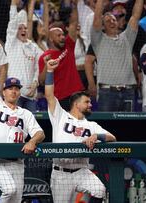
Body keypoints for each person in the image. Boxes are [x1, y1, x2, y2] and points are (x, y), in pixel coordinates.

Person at [44, 58, 116, 202]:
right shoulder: (60, 116)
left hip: (81, 171)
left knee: (100, 190)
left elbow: (112, 137)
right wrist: (50, 71)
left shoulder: (91, 125)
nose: (90, 105)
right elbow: (49, 95)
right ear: (76, 104)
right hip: (61, 173)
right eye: (87, 102)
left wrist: (96, 136)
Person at [0, 42, 45, 203]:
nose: (14, 91)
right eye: (10, 88)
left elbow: (40, 133)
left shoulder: (25, 113)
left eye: (17, 88)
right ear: (4, 91)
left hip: (17, 162)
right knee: (10, 190)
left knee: (16, 199)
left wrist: (32, 141)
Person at [89, 0, 143, 112]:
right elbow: (97, 18)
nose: (112, 22)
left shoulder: (127, 38)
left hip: (128, 91)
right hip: (107, 93)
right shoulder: (98, 40)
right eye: (108, 21)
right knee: (106, 129)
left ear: (118, 23)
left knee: (129, 129)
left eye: (114, 20)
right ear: (103, 26)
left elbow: (135, 16)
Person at [38, 0, 84, 111]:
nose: (62, 37)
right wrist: (46, 66)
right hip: (59, 99)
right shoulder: (44, 57)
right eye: (58, 35)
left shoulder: (69, 45)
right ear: (51, 39)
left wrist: (74, 5)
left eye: (63, 34)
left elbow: (73, 23)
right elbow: (42, 81)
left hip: (77, 94)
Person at [5, 0, 41, 112]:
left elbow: (36, 68)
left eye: (25, 28)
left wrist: (35, 82)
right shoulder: (12, 44)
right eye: (20, 28)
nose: (23, 30)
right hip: (15, 95)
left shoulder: (33, 47)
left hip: (30, 96)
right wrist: (13, 5)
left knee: (30, 126)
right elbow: (12, 24)